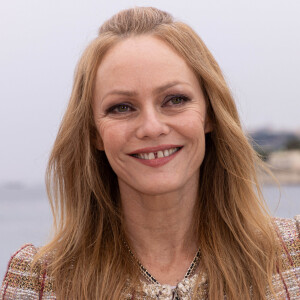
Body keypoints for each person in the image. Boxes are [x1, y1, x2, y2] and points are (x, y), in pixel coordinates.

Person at [1, 7, 299, 300]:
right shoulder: (38, 281)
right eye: (121, 107)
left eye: (175, 100)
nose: (151, 127)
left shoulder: (293, 255)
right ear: (93, 133)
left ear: (210, 115)